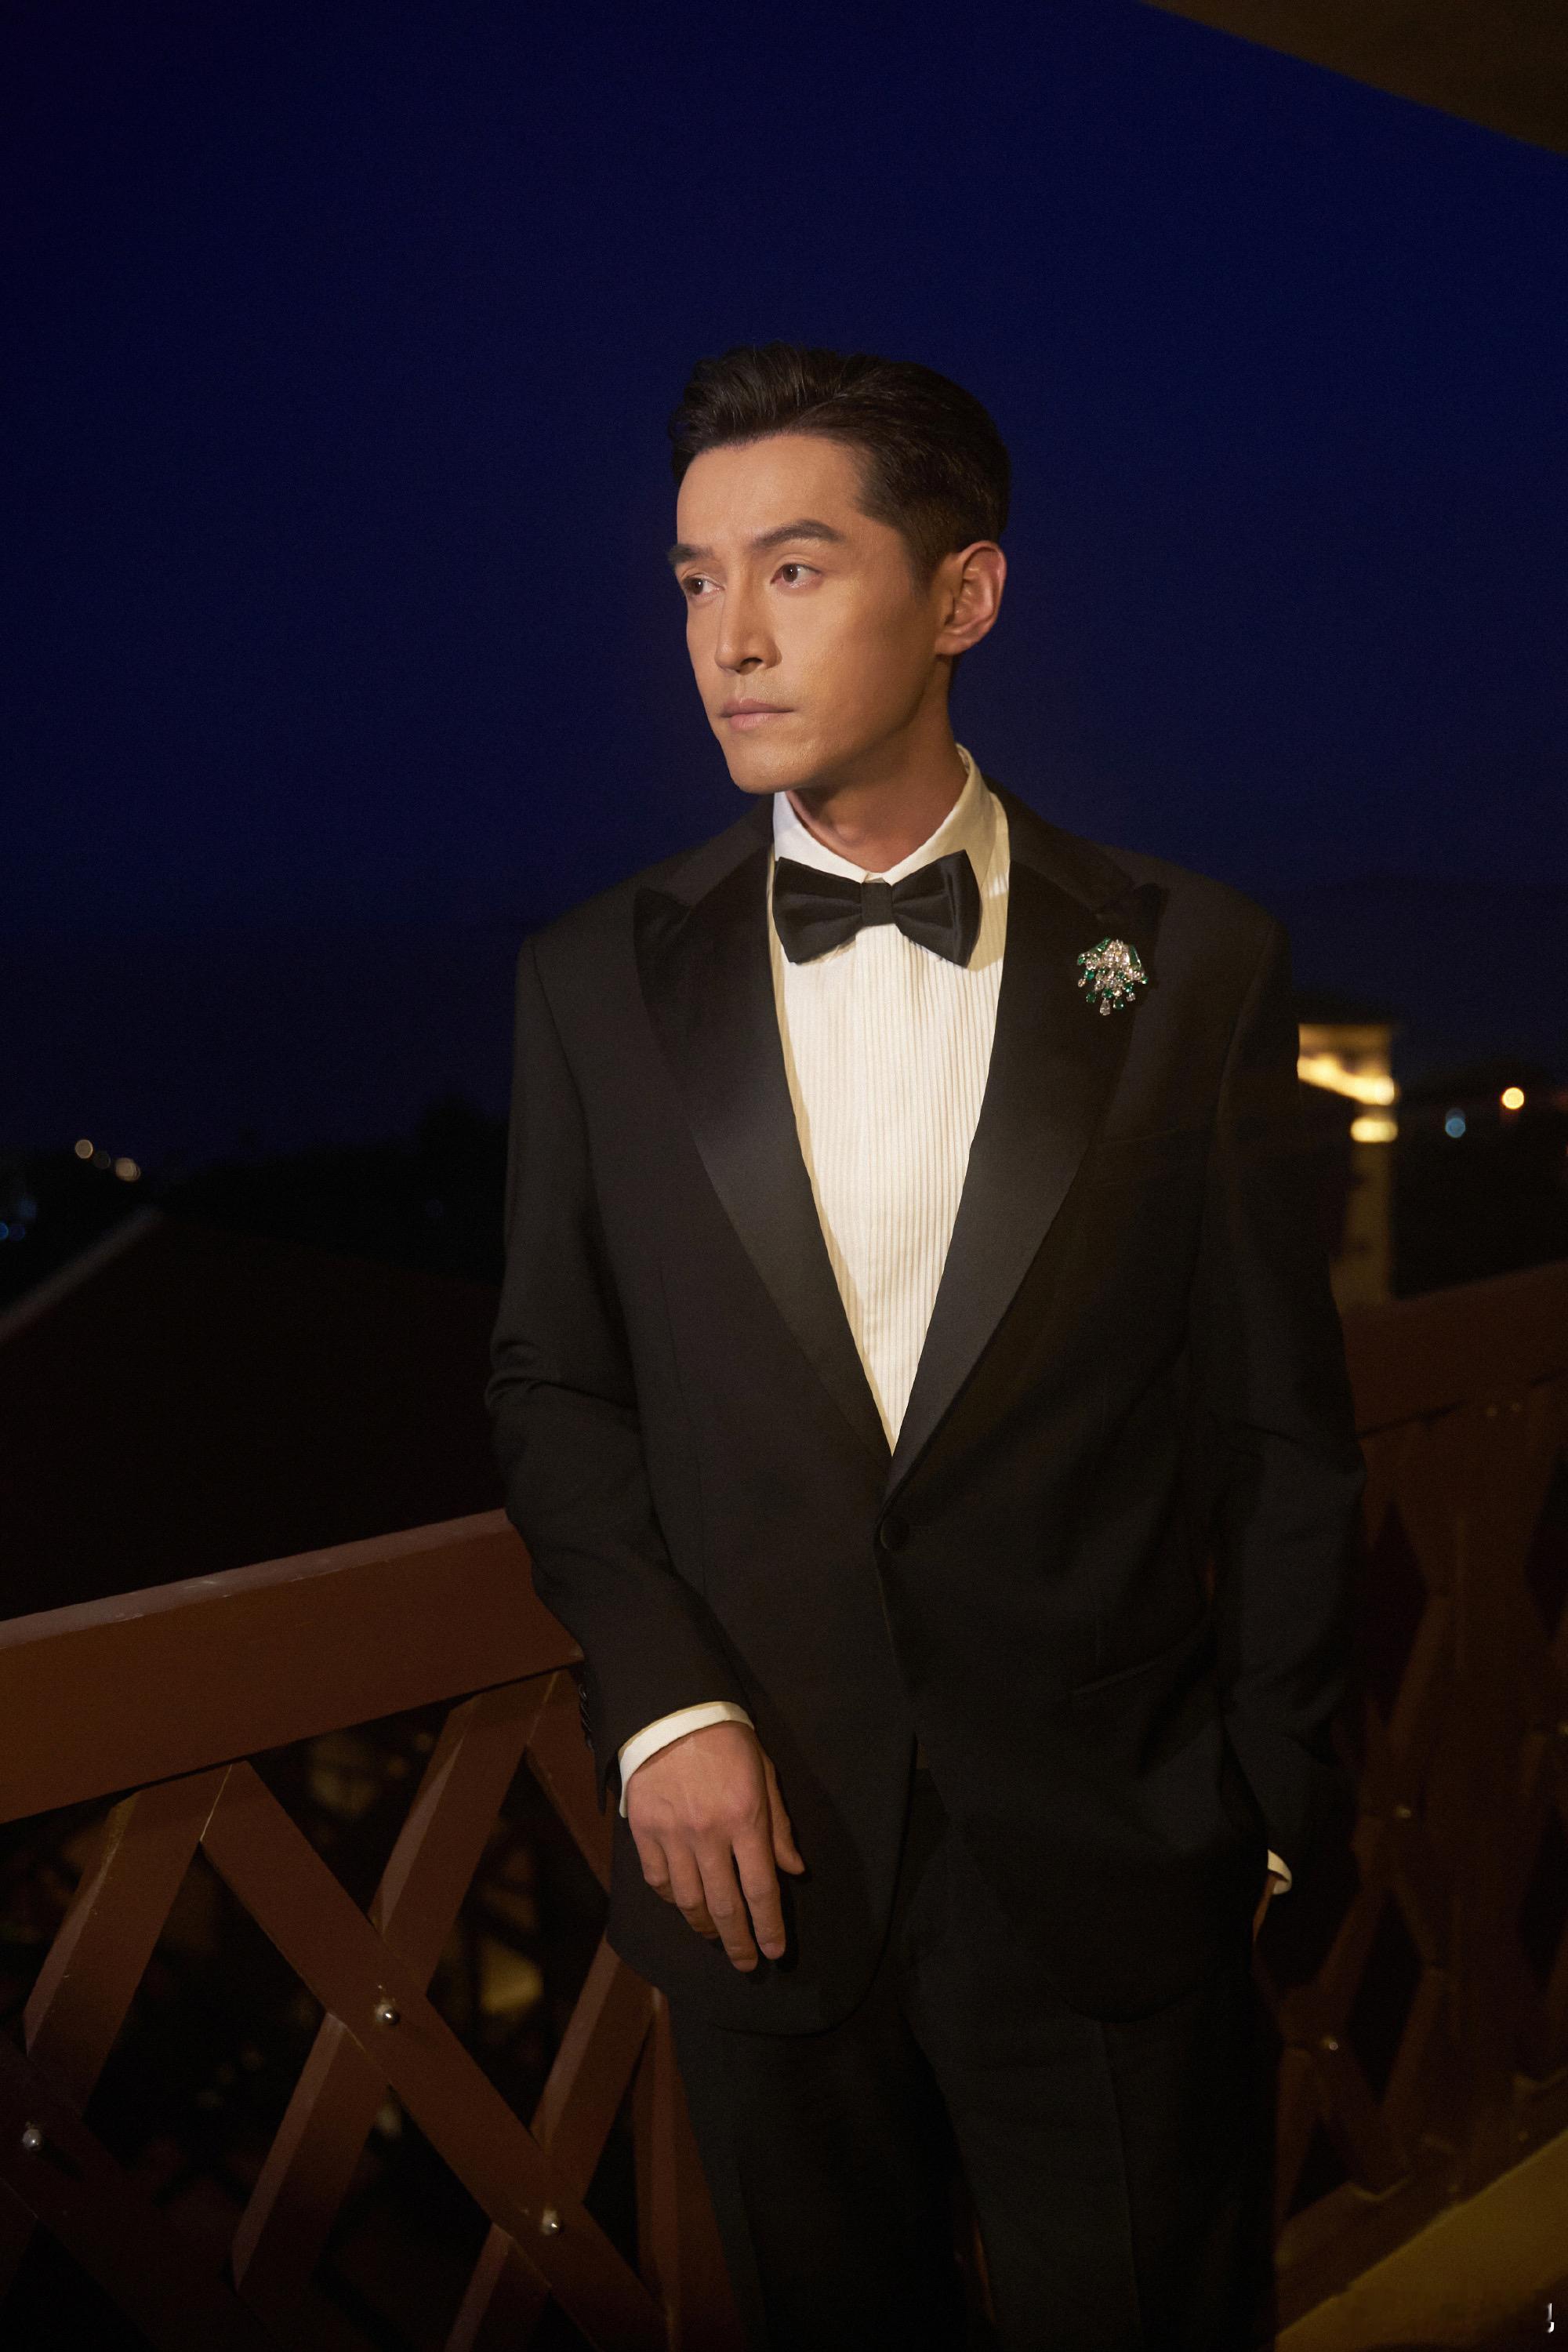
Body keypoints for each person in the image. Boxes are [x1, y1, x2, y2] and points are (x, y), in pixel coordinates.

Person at [487, 343, 1364, 2350]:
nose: (727, 639)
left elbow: (1278, 1429)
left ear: (962, 596)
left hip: (1114, 1867)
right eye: (694, 581)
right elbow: (552, 1382)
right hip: (760, 1875)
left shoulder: (1186, 963)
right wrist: (662, 1712)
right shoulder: (589, 983)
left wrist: (1266, 1806)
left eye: (793, 570)